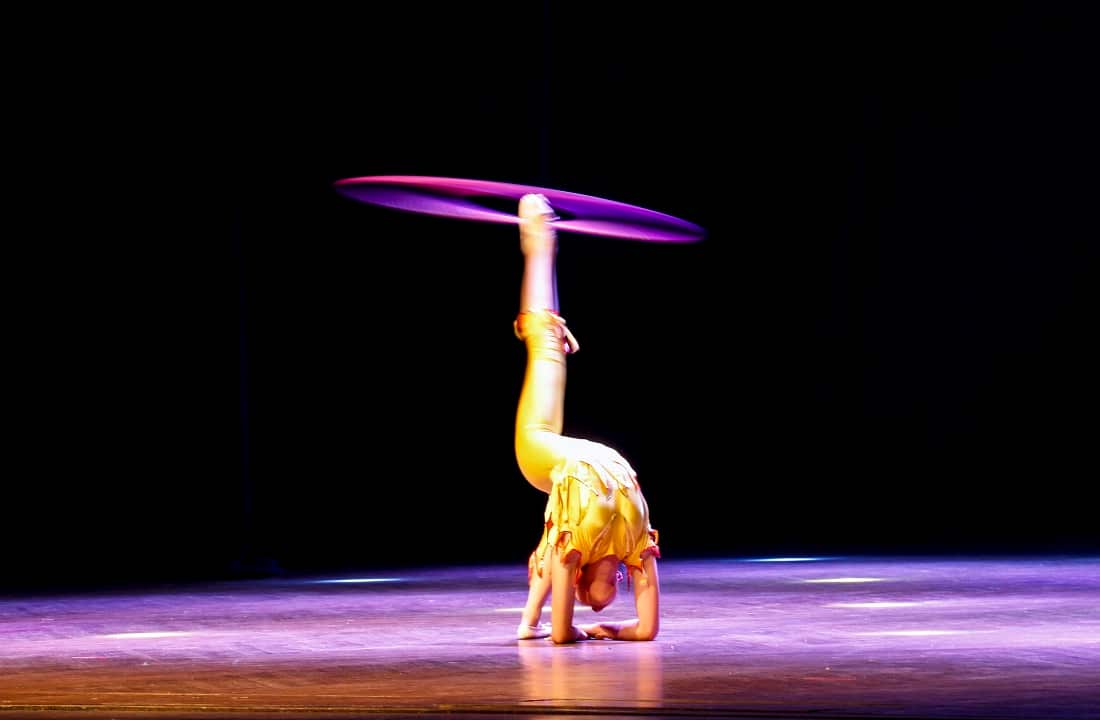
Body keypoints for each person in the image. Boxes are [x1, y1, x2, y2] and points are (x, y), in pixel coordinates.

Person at [511, 192, 661, 644]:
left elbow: (648, 630)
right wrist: (590, 630)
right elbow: (563, 637)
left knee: (549, 350)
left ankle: (525, 619)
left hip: (600, 461)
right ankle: (539, 235)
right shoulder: (582, 547)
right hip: (555, 458)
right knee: (544, 345)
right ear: (576, 577)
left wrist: (613, 627)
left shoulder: (634, 547)